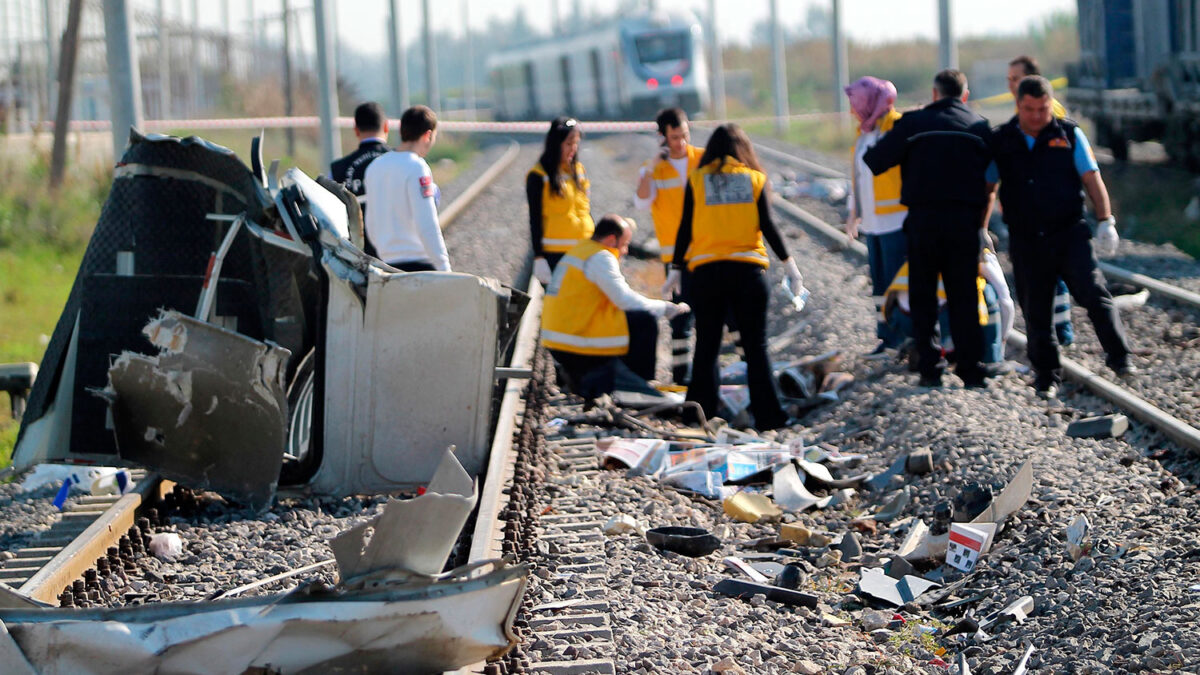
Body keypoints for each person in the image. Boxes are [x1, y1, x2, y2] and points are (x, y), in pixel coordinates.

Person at [987, 75, 1134, 399]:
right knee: (1036, 311)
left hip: (1070, 234)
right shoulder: (1003, 140)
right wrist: (982, 230)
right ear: (1019, 106)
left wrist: (1105, 219)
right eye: (1030, 109)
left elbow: (1091, 178)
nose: (1038, 116)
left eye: (1043, 108)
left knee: (1094, 293)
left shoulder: (1068, 134)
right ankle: (1046, 377)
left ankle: (1120, 358)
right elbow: (989, 189)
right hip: (1027, 240)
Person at [667, 124, 806, 431]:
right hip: (748, 273)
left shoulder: (697, 180)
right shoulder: (754, 179)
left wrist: (675, 268)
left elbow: (685, 228)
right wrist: (789, 264)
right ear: (743, 149)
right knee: (756, 348)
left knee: (707, 346)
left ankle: (696, 416)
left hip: (706, 274)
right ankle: (770, 417)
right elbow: (768, 225)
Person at [863, 69, 993, 389]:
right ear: (964, 96)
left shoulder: (913, 123)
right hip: (965, 223)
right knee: (964, 295)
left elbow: (876, 161)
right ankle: (971, 370)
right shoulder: (979, 126)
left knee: (923, 296)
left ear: (934, 95)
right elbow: (993, 178)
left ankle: (930, 369)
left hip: (924, 223)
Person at [542, 214, 689, 399]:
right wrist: (666, 308)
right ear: (612, 240)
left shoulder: (581, 250)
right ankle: (638, 390)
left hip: (561, 343)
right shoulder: (600, 257)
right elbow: (624, 300)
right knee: (644, 320)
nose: (626, 250)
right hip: (576, 344)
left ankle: (626, 383)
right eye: (625, 244)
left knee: (636, 317)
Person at [1006, 55, 1075, 348]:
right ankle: (1053, 333)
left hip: (1053, 205)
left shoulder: (1050, 111)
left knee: (1053, 272)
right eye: (1009, 80)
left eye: (1015, 79)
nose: (1010, 85)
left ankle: (1063, 333)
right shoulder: (1021, 109)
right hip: (1031, 205)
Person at [633, 107, 703, 384]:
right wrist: (650, 168)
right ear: (663, 137)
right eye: (674, 137)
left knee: (719, 315)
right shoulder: (655, 170)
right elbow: (641, 202)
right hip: (675, 257)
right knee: (681, 320)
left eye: (684, 135)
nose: (681, 142)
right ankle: (681, 379)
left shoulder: (702, 159)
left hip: (708, 249)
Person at [843, 76, 908, 357]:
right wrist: (853, 214)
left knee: (899, 283)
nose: (852, 110)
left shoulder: (896, 125)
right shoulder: (864, 134)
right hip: (873, 223)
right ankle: (887, 337)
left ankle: (905, 336)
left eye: (855, 104)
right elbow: (858, 178)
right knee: (880, 284)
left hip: (897, 220)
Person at [362, 105, 451, 272]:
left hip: (386, 265)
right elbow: (426, 223)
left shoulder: (374, 167)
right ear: (428, 135)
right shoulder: (417, 167)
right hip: (420, 266)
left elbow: (371, 225)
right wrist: (444, 267)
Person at [529, 117, 594, 285]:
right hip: (556, 255)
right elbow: (535, 218)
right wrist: (539, 256)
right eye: (568, 144)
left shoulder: (579, 170)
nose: (573, 149)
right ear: (555, 144)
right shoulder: (539, 175)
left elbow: (585, 209)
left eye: (576, 143)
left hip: (584, 251)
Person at [330, 102, 392, 256]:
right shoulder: (405, 162)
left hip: (358, 255)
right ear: (386, 127)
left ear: (356, 130)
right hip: (398, 252)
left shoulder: (338, 169)